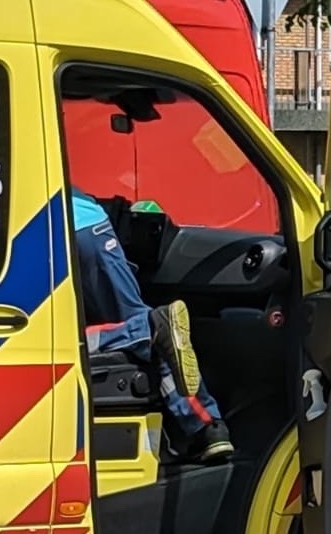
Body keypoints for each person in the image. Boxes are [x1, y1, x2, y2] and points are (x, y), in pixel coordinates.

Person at [72, 190, 233, 463]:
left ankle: (147, 329)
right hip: (88, 226)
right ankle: (206, 426)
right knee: (155, 337)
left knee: (45, 339)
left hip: (51, 233)